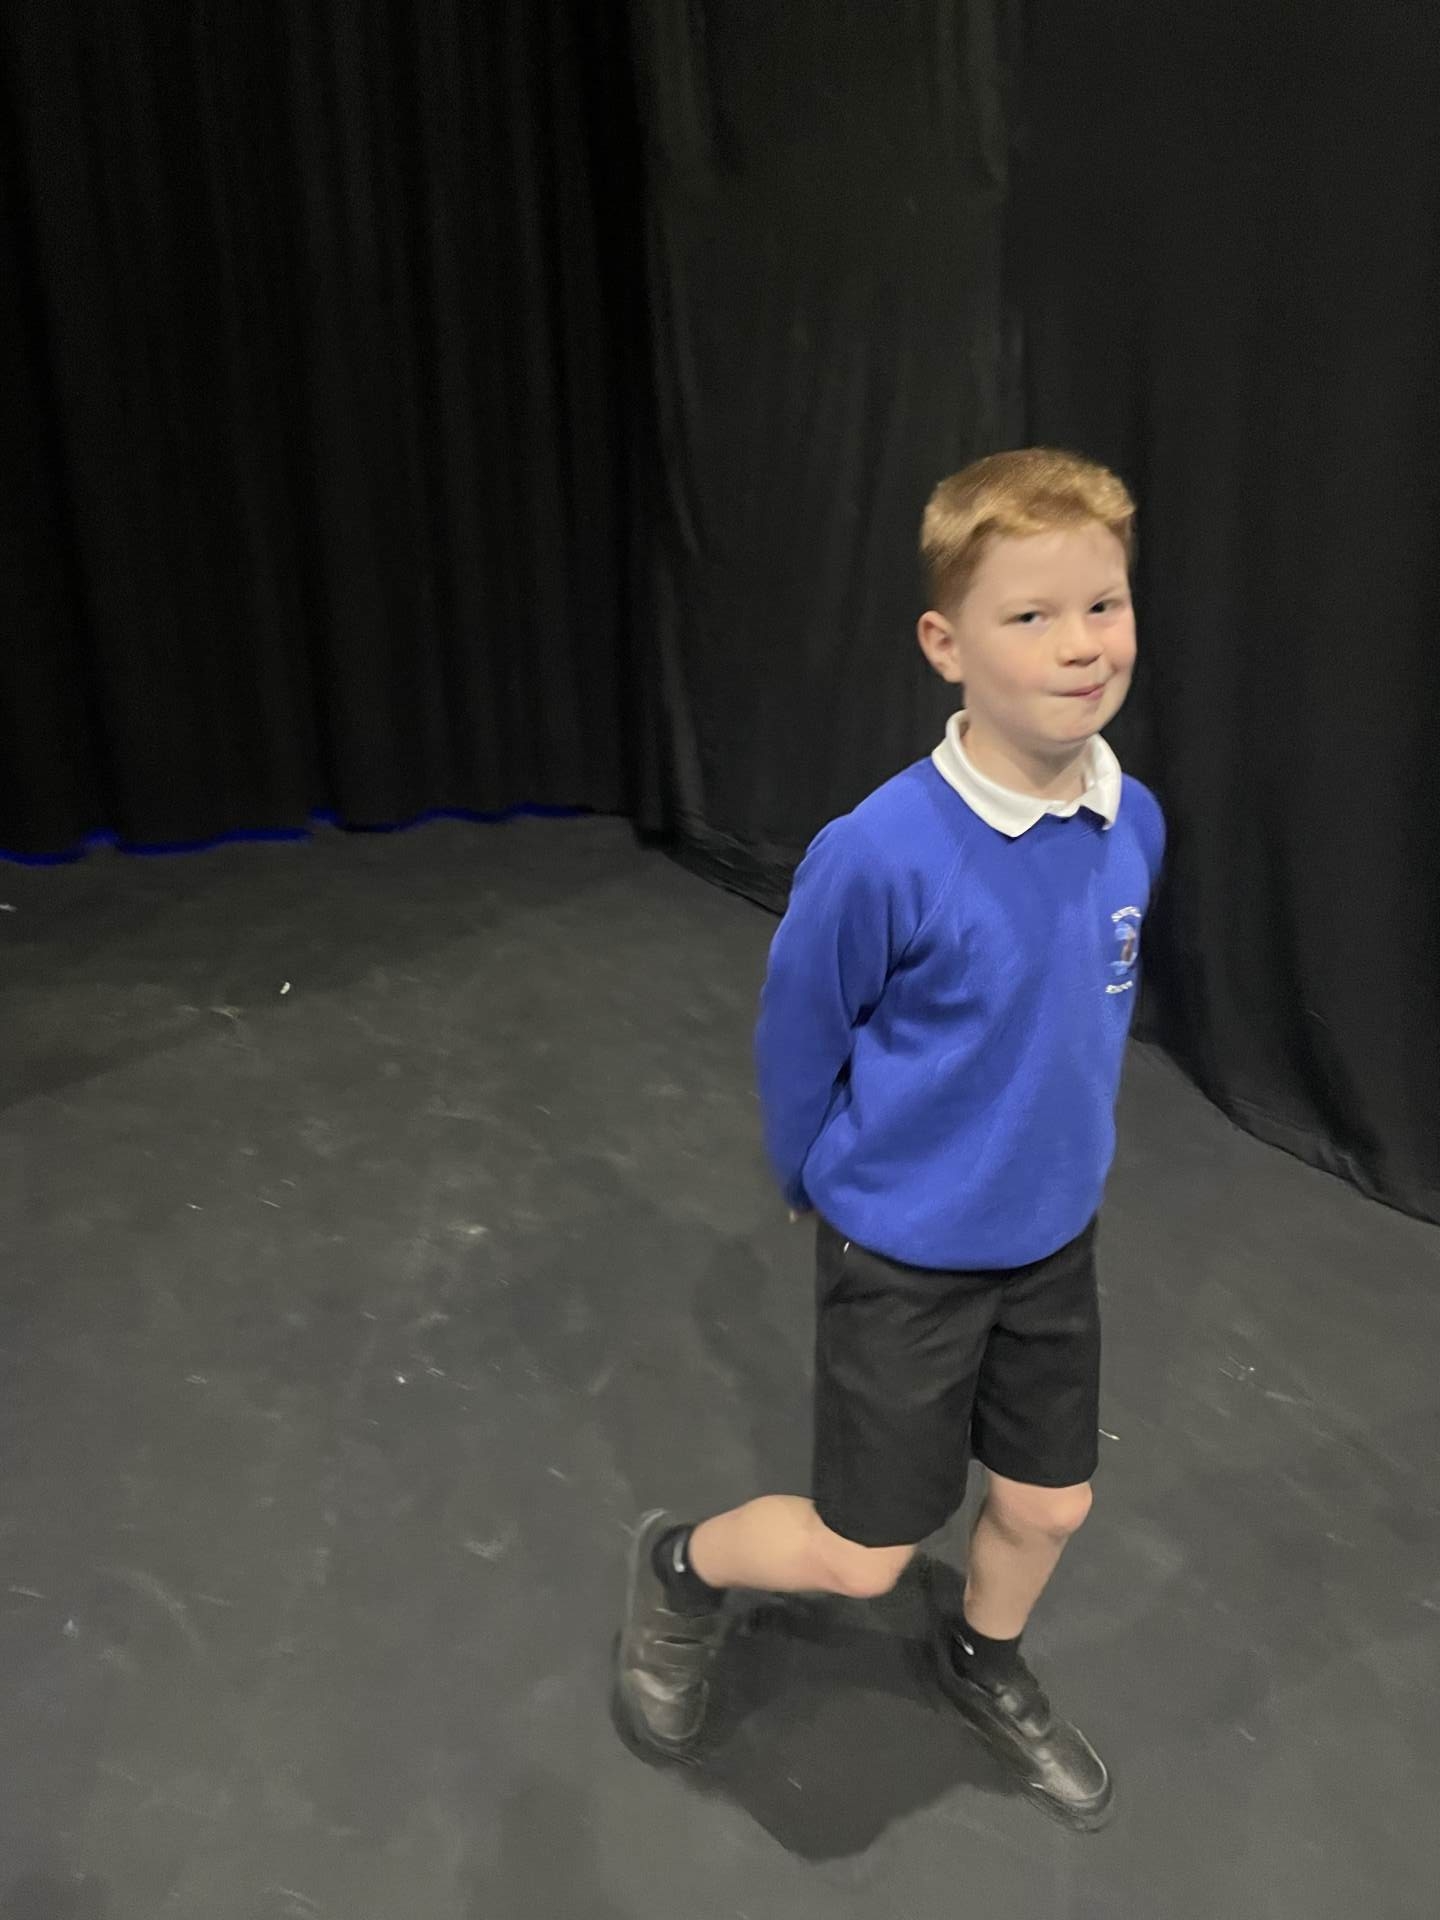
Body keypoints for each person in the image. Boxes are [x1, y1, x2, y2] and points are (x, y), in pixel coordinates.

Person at [613, 448, 1165, 1832]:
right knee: (863, 1557)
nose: (1081, 645)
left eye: (1103, 605)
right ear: (945, 644)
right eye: (1031, 616)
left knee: (1049, 1506)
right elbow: (801, 1032)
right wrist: (810, 1175)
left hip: (1052, 1244)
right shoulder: (880, 852)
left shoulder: (1132, 819)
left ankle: (981, 1656)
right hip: (907, 1256)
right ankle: (680, 1569)